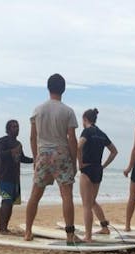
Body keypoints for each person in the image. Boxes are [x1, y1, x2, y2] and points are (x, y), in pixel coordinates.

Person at [25, 73, 79, 243]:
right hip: (61, 153)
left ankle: (28, 231)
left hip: (43, 153)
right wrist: (74, 160)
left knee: (35, 195)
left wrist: (35, 158)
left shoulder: (38, 110)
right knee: (66, 195)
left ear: (48, 88)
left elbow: (32, 138)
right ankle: (70, 234)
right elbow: (72, 138)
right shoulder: (68, 111)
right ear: (63, 89)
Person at [78, 108, 118, 242]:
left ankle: (88, 236)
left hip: (87, 168)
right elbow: (114, 151)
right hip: (97, 170)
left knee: (86, 205)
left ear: (85, 119)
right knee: (92, 202)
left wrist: (80, 163)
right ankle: (104, 227)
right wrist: (104, 166)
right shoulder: (101, 133)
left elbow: (78, 147)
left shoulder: (87, 131)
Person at [0, 120, 33, 233]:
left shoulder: (19, 144)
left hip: (15, 179)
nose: (16, 129)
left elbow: (22, 158)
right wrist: (11, 151)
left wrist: (35, 159)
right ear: (8, 129)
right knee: (5, 202)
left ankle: (5, 228)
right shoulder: (2, 141)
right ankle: (1, 228)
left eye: (17, 127)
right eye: (13, 127)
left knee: (10, 204)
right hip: (4, 177)